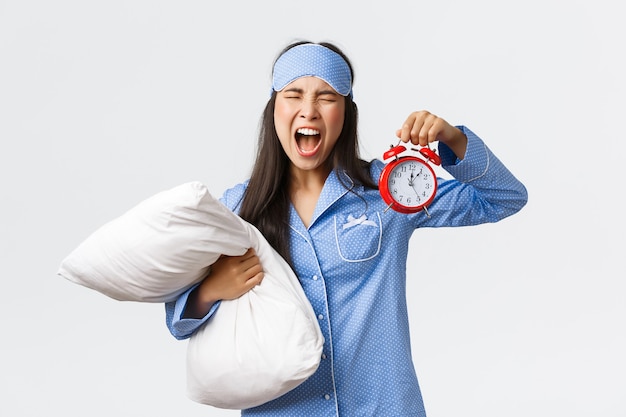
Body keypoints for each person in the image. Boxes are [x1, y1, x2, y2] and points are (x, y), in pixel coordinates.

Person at [165, 40, 528, 416]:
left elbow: (504, 198)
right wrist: (209, 291)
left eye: (326, 97)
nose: (309, 111)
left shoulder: (389, 190)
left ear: (346, 113)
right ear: (274, 108)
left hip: (384, 407)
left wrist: (453, 139)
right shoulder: (238, 210)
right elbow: (179, 322)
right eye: (293, 95)